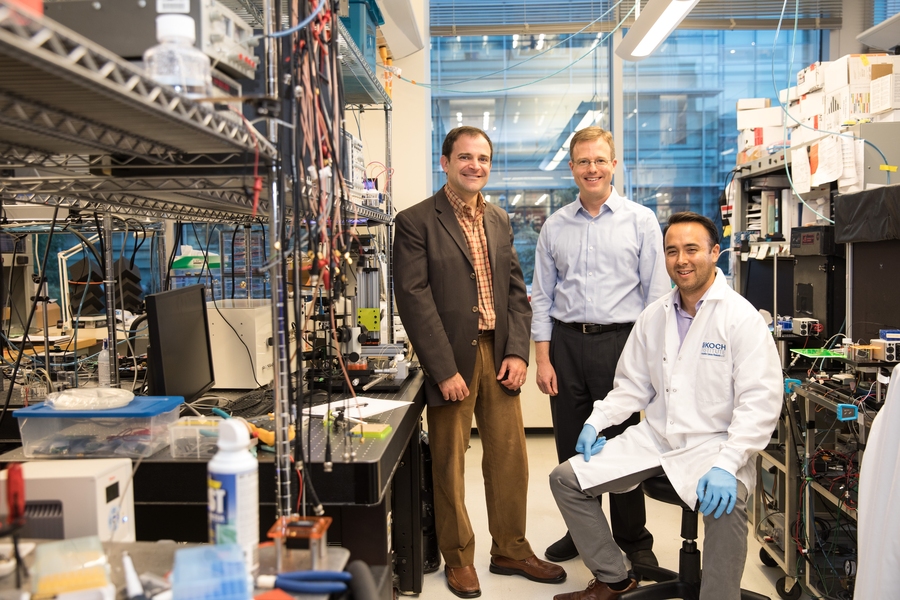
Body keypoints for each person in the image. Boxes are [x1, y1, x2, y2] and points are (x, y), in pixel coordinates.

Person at [549, 211, 783, 600]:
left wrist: (728, 464)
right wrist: (599, 419)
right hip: (658, 437)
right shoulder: (654, 315)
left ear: (715, 253)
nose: (681, 260)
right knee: (566, 480)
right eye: (672, 251)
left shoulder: (741, 318)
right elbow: (632, 386)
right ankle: (614, 578)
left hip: (717, 444)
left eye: (692, 249)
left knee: (727, 506)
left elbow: (759, 402)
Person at [393, 126, 566, 599]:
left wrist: (517, 351)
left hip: (498, 353)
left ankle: (510, 548)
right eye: (465, 157)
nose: (475, 165)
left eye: (484, 158)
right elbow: (413, 298)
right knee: (449, 462)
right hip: (451, 358)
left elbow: (515, 290)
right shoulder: (415, 221)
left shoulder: (499, 219)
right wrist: (442, 368)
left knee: (511, 460)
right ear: (445, 162)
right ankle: (459, 557)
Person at [530, 126, 669, 566]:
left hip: (621, 343)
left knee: (623, 443)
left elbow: (656, 298)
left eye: (600, 160)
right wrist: (543, 359)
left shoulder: (641, 220)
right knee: (572, 443)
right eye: (583, 161)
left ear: (614, 165)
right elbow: (542, 298)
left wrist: (651, 362)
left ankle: (633, 540)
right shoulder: (554, 225)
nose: (592, 168)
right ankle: (582, 532)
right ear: (572, 168)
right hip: (567, 344)